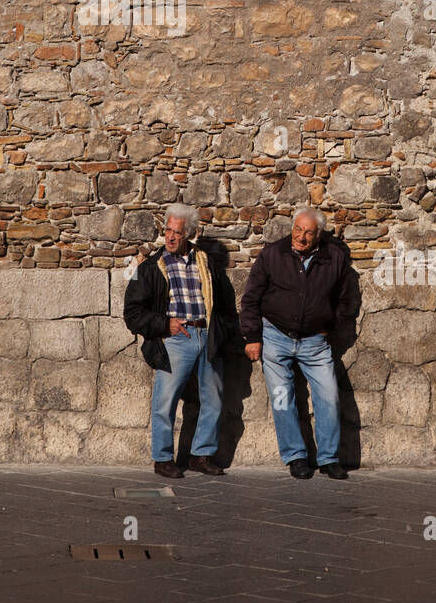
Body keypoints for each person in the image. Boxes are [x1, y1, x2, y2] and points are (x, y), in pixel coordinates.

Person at [123, 203, 240, 479]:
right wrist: (166, 324)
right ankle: (163, 458)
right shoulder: (149, 266)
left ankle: (201, 454)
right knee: (166, 401)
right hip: (176, 338)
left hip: (207, 335)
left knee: (213, 398)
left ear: (189, 234)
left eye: (177, 232)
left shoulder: (207, 262)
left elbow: (225, 302)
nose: (171, 237)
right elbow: (132, 313)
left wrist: (222, 332)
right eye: (167, 231)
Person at [240, 207, 350, 479]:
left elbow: (346, 300)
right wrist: (252, 337)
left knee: (329, 396)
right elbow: (251, 298)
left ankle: (328, 458)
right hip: (275, 337)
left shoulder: (334, 258)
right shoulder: (272, 254)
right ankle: (296, 456)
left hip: (315, 341)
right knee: (282, 399)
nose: (301, 237)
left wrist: (330, 328)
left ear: (318, 234)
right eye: (297, 230)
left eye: (308, 232)